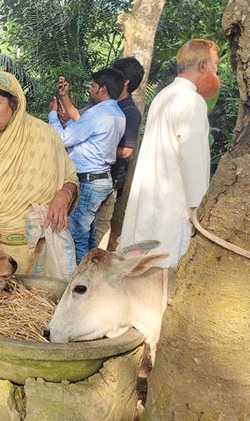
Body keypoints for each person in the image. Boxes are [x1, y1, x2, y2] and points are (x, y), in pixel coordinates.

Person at [0, 72, 79, 274]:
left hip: (35, 251)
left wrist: (64, 195)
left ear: (14, 103)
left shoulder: (43, 136)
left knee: (34, 301)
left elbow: (70, 177)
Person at [120, 39, 221, 269]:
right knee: (162, 271)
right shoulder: (193, 101)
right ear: (203, 66)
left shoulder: (164, 96)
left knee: (141, 266)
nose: (216, 73)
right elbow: (192, 159)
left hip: (151, 199)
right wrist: (198, 208)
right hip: (173, 206)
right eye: (214, 66)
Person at [49, 68, 126, 263]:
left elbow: (63, 138)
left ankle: (77, 279)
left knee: (77, 234)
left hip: (89, 181)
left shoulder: (98, 114)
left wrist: (52, 115)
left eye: (93, 86)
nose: (90, 90)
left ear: (103, 89)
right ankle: (92, 271)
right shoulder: (117, 114)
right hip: (102, 178)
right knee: (89, 233)